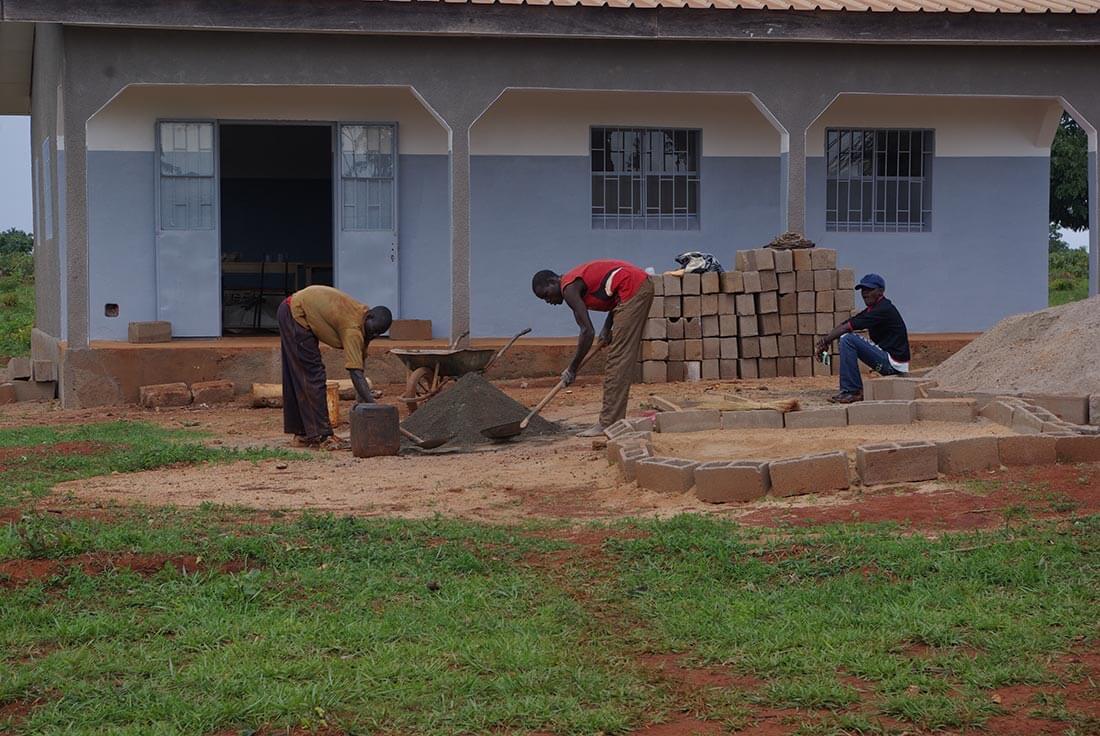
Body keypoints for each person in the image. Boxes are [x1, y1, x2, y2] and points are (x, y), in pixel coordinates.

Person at [532, 260, 655, 437]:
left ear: (553, 281)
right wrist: (606, 328)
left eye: (546, 294)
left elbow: (587, 332)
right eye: (543, 300)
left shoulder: (568, 288)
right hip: (636, 287)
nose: (548, 300)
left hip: (633, 288)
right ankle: (612, 421)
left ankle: (608, 423)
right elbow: (614, 294)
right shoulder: (573, 284)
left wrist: (572, 368)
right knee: (618, 359)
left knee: (617, 361)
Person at [277, 285, 392, 449]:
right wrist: (375, 407)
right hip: (294, 312)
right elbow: (355, 373)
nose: (374, 335)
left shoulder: (364, 324)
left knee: (301, 374)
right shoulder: (353, 328)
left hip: (296, 308)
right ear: (369, 316)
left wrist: (364, 405)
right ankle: (322, 436)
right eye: (373, 330)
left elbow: (360, 369)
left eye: (378, 334)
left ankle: (303, 435)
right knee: (312, 375)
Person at [816, 273, 910, 405]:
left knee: (847, 339)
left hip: (893, 365)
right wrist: (827, 340)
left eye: (869, 289)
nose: (865, 293)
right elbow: (847, 323)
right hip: (888, 361)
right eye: (863, 290)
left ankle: (853, 391)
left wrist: (825, 341)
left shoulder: (883, 309)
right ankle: (851, 390)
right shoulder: (874, 308)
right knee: (843, 337)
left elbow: (846, 328)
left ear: (880, 291)